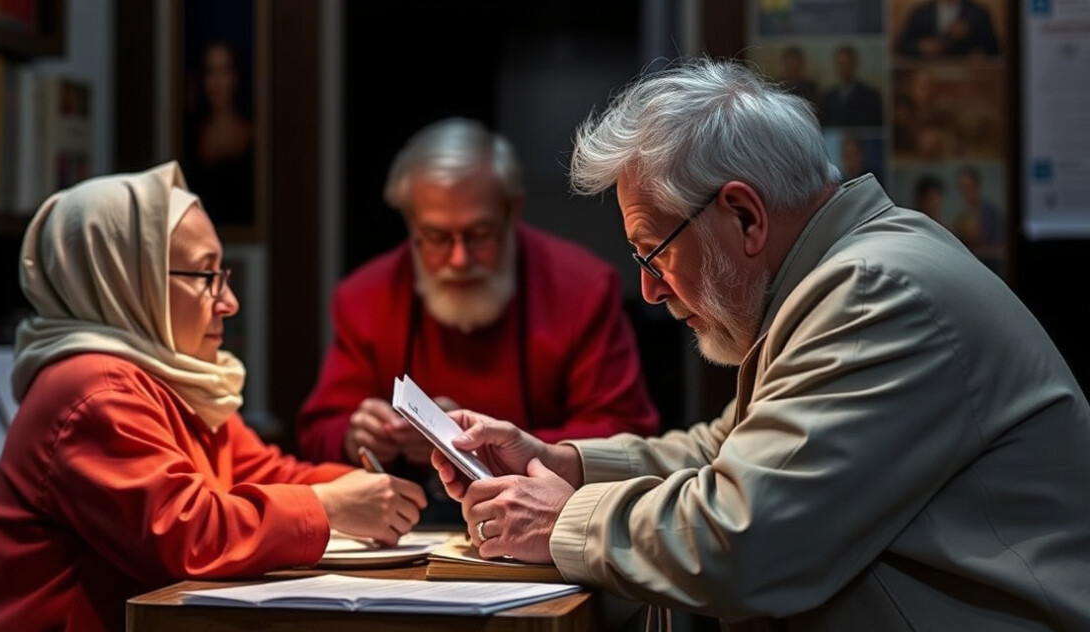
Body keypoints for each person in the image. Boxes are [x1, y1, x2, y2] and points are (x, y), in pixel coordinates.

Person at [431, 58, 1090, 630]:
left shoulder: (874, 290)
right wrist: (565, 463)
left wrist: (563, 519)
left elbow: (744, 542)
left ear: (744, 216)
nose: (651, 291)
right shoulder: (850, 270)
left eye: (652, 253)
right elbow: (728, 449)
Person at [0, 162, 427, 632]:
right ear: (128, 278)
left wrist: (370, 492)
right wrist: (331, 506)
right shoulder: (94, 389)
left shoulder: (167, 378)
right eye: (205, 277)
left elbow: (265, 472)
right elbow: (189, 535)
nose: (229, 302)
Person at [296, 117, 658, 523]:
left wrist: (490, 442)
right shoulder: (366, 297)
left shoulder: (582, 289)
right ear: (409, 224)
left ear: (512, 211)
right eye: (436, 237)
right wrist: (355, 436)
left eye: (479, 234)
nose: (459, 260)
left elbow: (627, 441)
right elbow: (317, 432)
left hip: (548, 525)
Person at [184, 39, 255, 227]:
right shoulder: (192, 137)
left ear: (235, 76)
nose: (218, 81)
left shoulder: (251, 136)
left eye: (225, 71)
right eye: (211, 72)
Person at [896, 0, 1001, 58]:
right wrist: (921, 47)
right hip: (928, 76)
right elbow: (902, 46)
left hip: (969, 79)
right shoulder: (920, 13)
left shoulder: (979, 13)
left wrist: (979, 53)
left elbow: (995, 49)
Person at [818, 45, 882, 128]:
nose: (845, 68)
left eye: (848, 64)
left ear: (855, 65)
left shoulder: (871, 95)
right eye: (841, 64)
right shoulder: (827, 97)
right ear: (836, 66)